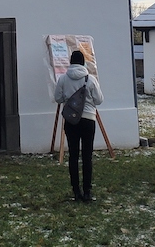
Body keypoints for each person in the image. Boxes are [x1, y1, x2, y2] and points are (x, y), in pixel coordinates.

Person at [54, 50, 104, 202]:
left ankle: (76, 191)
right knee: (87, 156)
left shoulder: (63, 78)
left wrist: (67, 99)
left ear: (70, 62)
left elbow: (57, 98)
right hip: (88, 119)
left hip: (71, 120)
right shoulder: (90, 79)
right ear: (83, 63)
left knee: (74, 156)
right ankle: (87, 191)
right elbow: (99, 100)